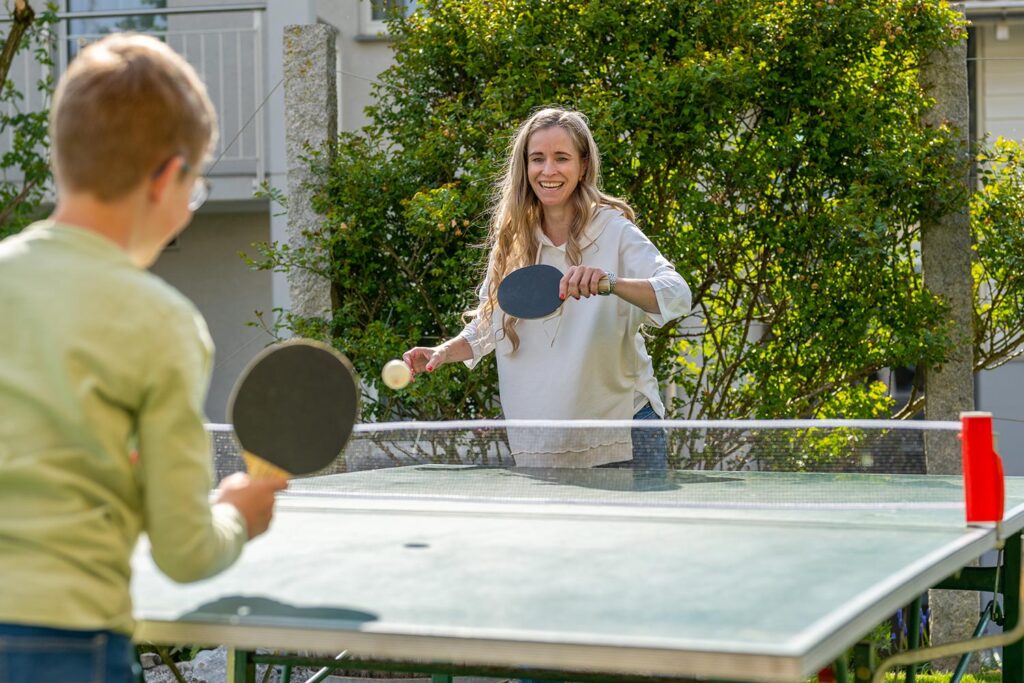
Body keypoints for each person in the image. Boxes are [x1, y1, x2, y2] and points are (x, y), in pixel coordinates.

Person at [0, 34, 286, 681]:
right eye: (196, 187)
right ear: (166, 178)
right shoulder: (164, 323)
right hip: (66, 644)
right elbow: (186, 551)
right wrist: (238, 515)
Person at [404, 107, 691, 469]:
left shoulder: (614, 230)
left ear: (583, 166)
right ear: (524, 167)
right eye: (537, 159)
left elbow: (677, 294)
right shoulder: (513, 242)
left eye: (561, 158)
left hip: (622, 438)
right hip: (541, 448)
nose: (548, 170)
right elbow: (488, 326)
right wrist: (442, 352)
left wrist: (610, 283)